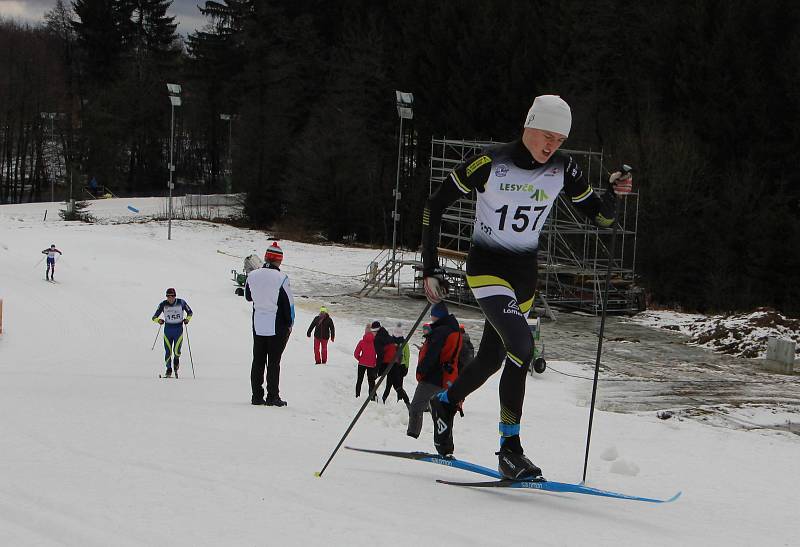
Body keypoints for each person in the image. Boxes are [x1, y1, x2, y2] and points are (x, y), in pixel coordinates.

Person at [420, 95, 633, 479]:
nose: (551, 146)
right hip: (487, 269)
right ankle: (510, 449)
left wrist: (612, 191)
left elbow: (600, 219)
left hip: (524, 277)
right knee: (522, 348)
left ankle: (445, 403)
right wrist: (430, 267)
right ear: (528, 125)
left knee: (489, 360)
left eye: (560, 140)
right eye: (546, 136)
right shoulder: (489, 162)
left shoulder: (563, 169)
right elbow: (434, 205)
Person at [245, 242, 294, 406]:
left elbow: (248, 296)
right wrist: (290, 323)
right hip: (276, 325)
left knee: (258, 360)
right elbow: (289, 305)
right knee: (273, 362)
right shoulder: (282, 278)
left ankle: (256, 395)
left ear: (266, 257)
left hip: (258, 323)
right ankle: (273, 396)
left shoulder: (252, 275)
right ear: (279, 260)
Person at [407, 303, 463, 438]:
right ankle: (445, 442)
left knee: (416, 408)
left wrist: (421, 370)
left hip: (434, 376)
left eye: (432, 315)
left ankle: (412, 436)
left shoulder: (440, 331)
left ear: (436, 315)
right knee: (442, 412)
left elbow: (432, 354)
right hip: (449, 377)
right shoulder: (455, 330)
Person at [151, 288, 193, 378]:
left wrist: (187, 320)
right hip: (168, 331)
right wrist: (159, 320)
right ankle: (169, 369)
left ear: (175, 296)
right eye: (168, 296)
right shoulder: (163, 304)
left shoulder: (181, 302)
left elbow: (190, 312)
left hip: (178, 331)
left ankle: (176, 361)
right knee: (168, 351)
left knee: (177, 352)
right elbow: (154, 317)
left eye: (172, 296)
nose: (170, 298)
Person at [371, 320, 409, 406]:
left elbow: (380, 356)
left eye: (372, 332)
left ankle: (373, 397)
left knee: (372, 377)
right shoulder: (387, 335)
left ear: (375, 331)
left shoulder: (377, 339)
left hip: (386, 363)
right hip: (394, 363)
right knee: (397, 386)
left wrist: (376, 370)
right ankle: (408, 403)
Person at [382, 322, 411, 405]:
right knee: (398, 385)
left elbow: (386, 353)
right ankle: (401, 401)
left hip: (393, 365)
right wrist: (407, 367)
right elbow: (407, 356)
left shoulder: (390, 341)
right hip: (400, 366)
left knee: (389, 384)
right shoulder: (404, 342)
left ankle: (385, 399)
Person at [353, 324, 377, 400]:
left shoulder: (361, 342)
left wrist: (360, 359)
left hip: (362, 364)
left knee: (359, 380)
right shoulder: (375, 342)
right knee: (371, 382)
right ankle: (372, 397)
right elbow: (379, 354)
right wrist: (375, 361)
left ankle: (357, 396)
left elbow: (356, 354)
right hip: (371, 365)